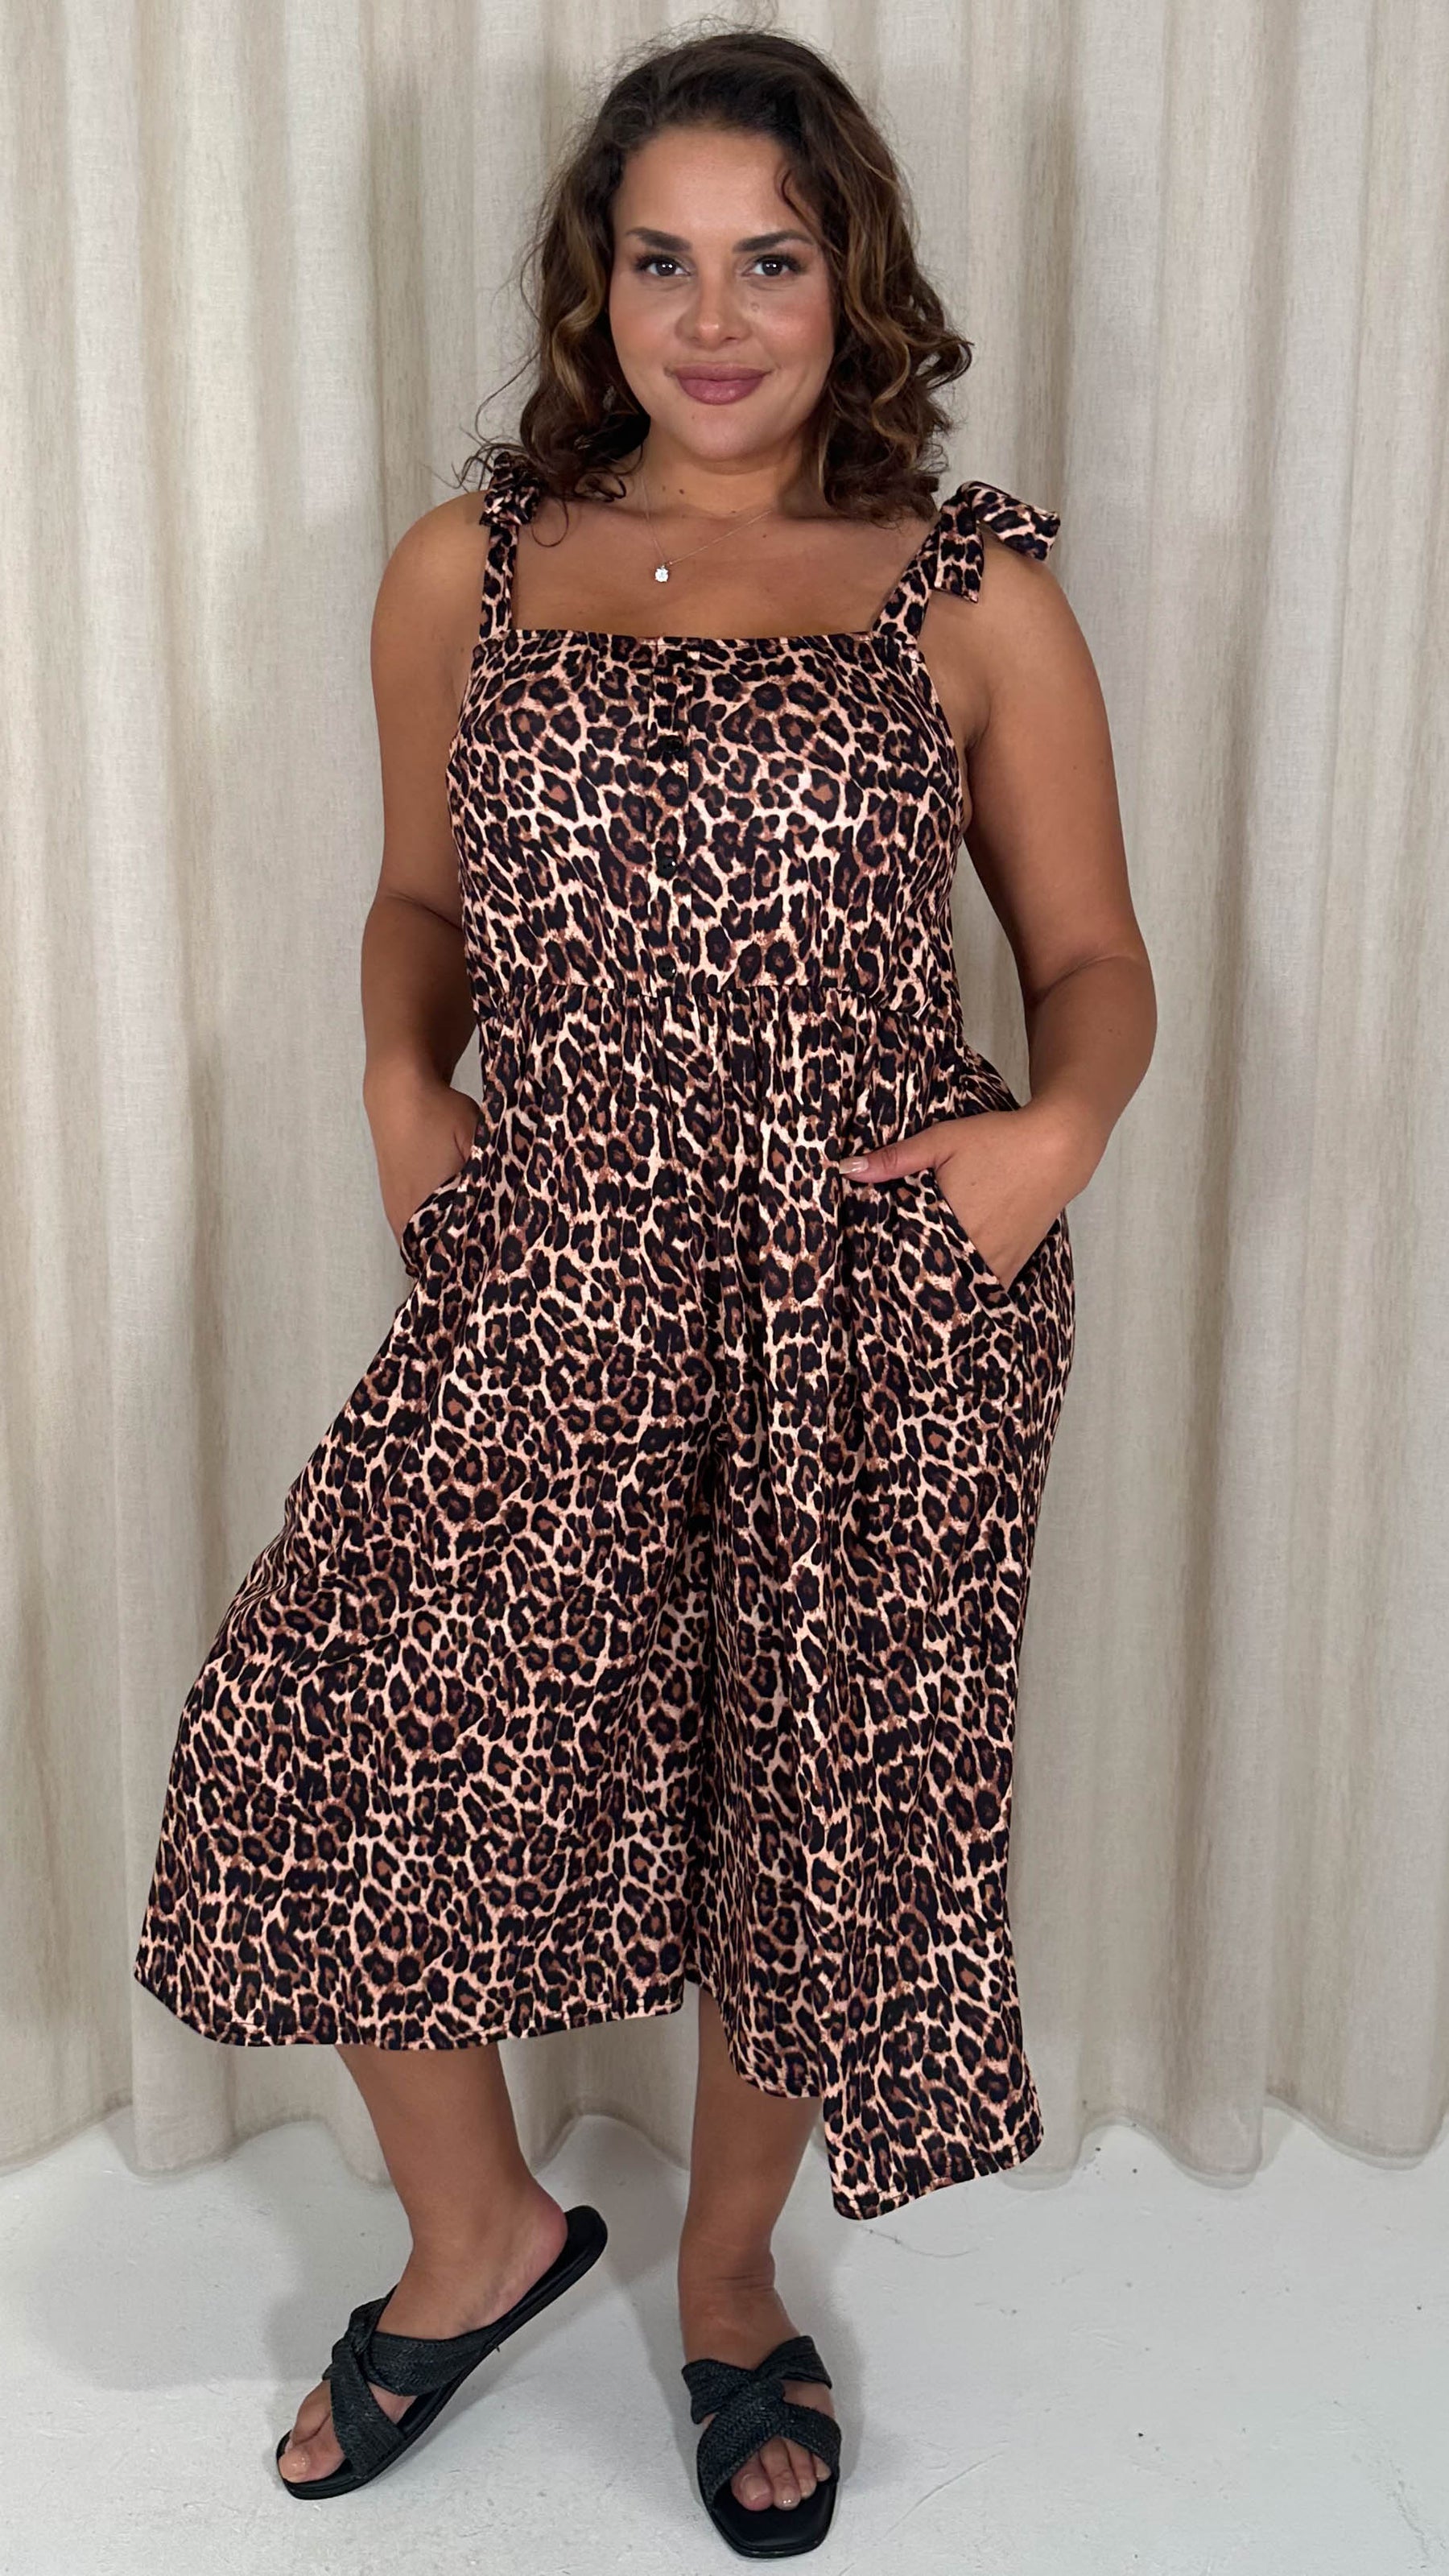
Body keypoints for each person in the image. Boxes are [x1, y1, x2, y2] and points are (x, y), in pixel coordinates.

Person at [133, 25, 1154, 2557]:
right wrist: (403, 1081)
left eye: (769, 261)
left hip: (868, 1302)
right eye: (663, 261)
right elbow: (417, 898)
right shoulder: (468, 568)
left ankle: (724, 2280)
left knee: (809, 1808)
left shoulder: (969, 592)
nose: (714, 319)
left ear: (849, 281)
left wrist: (1049, 1142)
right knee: (321, 1737)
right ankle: (477, 2241)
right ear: (597, 289)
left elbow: (1095, 962)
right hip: (554, 1264)